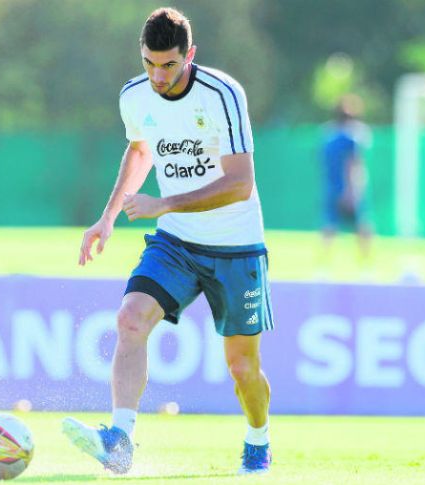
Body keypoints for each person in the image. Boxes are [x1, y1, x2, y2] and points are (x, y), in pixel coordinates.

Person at [61, 7, 274, 475]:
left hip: (236, 246)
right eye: (149, 63)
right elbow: (141, 149)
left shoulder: (223, 94)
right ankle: (119, 439)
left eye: (169, 65)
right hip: (176, 242)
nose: (158, 75)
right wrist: (108, 216)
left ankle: (258, 438)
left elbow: (240, 182)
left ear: (189, 55)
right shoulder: (135, 96)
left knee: (243, 368)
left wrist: (165, 204)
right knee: (130, 319)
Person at [318, 94, 374, 271]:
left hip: (330, 186)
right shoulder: (351, 138)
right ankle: (365, 265)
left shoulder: (327, 135)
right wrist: (352, 190)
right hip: (348, 188)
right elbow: (351, 164)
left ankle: (325, 264)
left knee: (329, 224)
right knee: (362, 225)